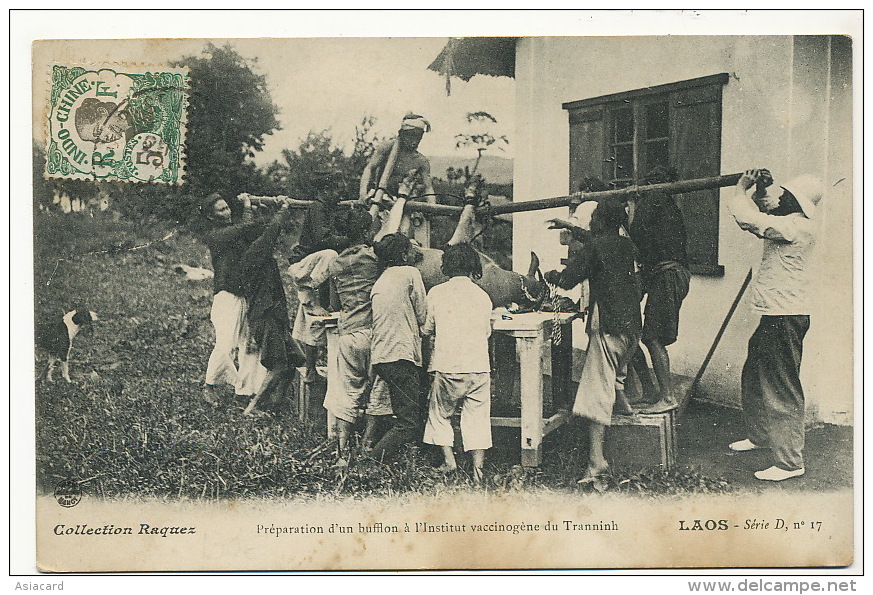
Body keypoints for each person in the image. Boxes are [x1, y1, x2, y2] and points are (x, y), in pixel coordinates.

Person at [727, 168, 824, 482]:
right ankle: (761, 436)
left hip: (786, 316)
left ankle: (790, 462)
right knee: (754, 372)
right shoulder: (786, 222)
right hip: (776, 314)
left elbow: (751, 219)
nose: (774, 200)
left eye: (783, 195)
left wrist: (741, 190)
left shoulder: (797, 227)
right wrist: (759, 187)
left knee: (781, 385)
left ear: (793, 202)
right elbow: (763, 208)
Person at [544, 198, 642, 483]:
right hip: (631, 327)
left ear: (598, 219)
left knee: (594, 395)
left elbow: (568, 280)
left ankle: (597, 462)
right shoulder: (627, 245)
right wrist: (569, 226)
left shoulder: (594, 248)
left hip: (608, 327)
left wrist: (553, 275)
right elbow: (600, 241)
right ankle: (626, 408)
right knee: (614, 376)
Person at [200, 193, 287, 406]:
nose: (227, 212)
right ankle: (209, 384)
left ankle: (245, 390)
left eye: (227, 207)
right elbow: (247, 227)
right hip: (227, 296)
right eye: (221, 210)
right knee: (226, 343)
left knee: (250, 345)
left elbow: (255, 231)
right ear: (212, 217)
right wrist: (250, 206)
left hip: (246, 295)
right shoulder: (216, 236)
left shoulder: (235, 233)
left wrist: (263, 209)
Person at [422, 243, 494, 485]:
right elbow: (486, 332)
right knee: (478, 417)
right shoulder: (483, 296)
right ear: (474, 266)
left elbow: (427, 329)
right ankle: (478, 470)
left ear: (446, 266)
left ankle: (449, 461)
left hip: (447, 365)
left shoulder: (436, 293)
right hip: (478, 366)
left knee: (439, 413)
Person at [627, 166, 691, 412]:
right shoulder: (667, 205)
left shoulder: (654, 200)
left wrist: (632, 205)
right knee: (638, 333)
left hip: (668, 274)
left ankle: (667, 397)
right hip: (664, 273)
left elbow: (635, 234)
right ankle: (652, 390)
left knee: (652, 337)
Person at [323, 207, 381, 467]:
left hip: (348, 333)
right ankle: (368, 445)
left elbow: (333, 302)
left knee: (348, 392)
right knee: (377, 391)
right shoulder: (374, 257)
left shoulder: (335, 263)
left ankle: (342, 452)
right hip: (374, 331)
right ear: (367, 232)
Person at [367, 232, 428, 462]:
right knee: (408, 422)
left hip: (382, 355)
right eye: (412, 248)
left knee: (407, 408)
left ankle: (412, 453)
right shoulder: (411, 273)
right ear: (404, 255)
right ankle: (372, 461)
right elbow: (423, 315)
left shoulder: (381, 279)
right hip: (400, 355)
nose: (416, 252)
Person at [288, 170, 353, 383]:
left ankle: (310, 369)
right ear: (326, 190)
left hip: (319, 273)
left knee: (315, 319)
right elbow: (322, 239)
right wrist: (348, 239)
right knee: (331, 254)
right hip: (308, 268)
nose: (340, 195)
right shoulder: (317, 208)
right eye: (337, 190)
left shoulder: (328, 210)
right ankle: (310, 290)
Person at [359, 113, 436, 240]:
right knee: (372, 234)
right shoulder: (387, 148)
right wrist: (363, 193)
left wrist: (432, 206)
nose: (415, 141)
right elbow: (370, 168)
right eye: (412, 136)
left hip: (405, 203)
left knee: (404, 233)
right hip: (381, 199)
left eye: (419, 137)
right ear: (403, 134)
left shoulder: (421, 161)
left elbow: (428, 187)